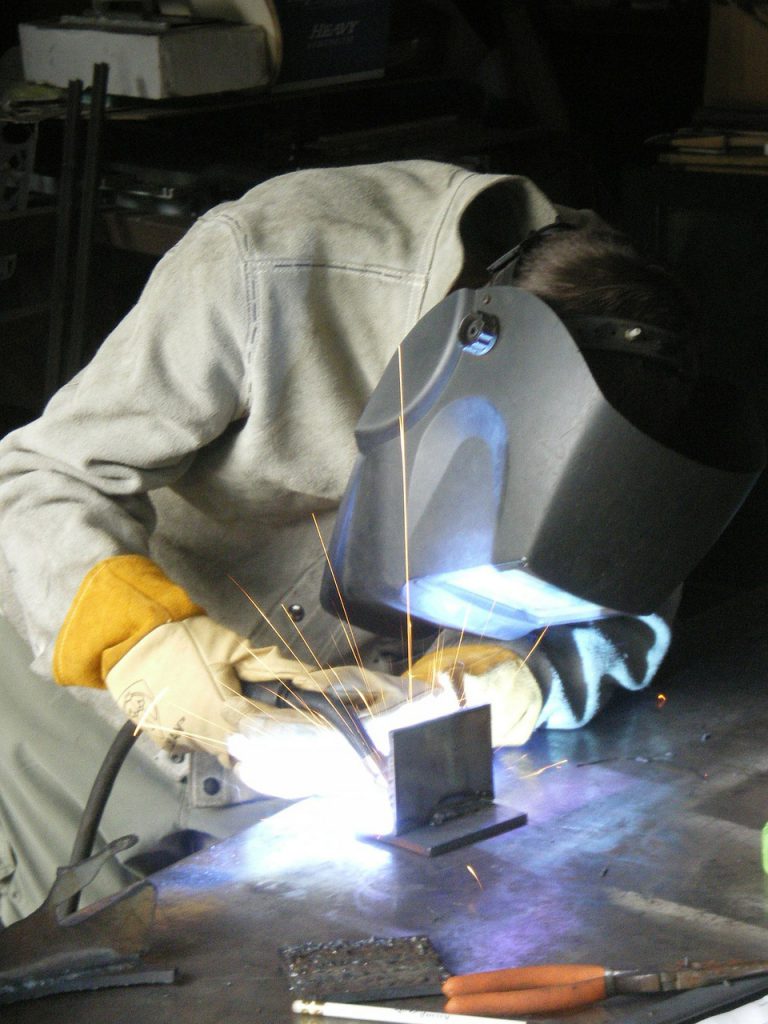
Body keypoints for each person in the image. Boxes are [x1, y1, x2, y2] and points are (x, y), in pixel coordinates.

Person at [0, 159, 694, 923]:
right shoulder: (272, 264)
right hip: (87, 707)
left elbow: (622, 614)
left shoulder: (638, 401)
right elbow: (44, 476)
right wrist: (145, 643)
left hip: (338, 740)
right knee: (76, 952)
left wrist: (477, 688)